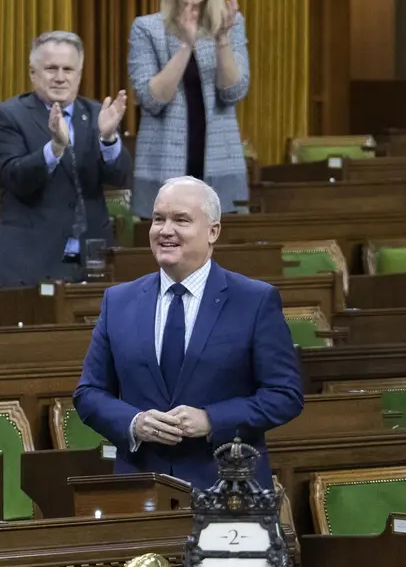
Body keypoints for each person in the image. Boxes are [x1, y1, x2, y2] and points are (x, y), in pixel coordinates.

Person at [73, 176, 303, 489]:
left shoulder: (255, 300)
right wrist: (134, 423)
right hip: (141, 487)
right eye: (158, 219)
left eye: (181, 220)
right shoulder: (119, 301)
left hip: (228, 487)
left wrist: (212, 420)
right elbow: (89, 393)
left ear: (213, 231)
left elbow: (285, 395)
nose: (165, 230)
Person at [0, 31, 133, 287]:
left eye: (68, 69)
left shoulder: (97, 114)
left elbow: (120, 177)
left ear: (79, 75)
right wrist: (55, 148)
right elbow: (14, 177)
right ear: (33, 73)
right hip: (29, 265)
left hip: (90, 261)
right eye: (51, 69)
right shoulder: (8, 116)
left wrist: (108, 139)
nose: (60, 77)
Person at [127, 0, 250, 220]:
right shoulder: (146, 28)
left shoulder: (231, 24)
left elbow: (234, 92)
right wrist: (185, 45)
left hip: (220, 168)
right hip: (162, 169)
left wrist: (222, 40)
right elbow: (151, 100)